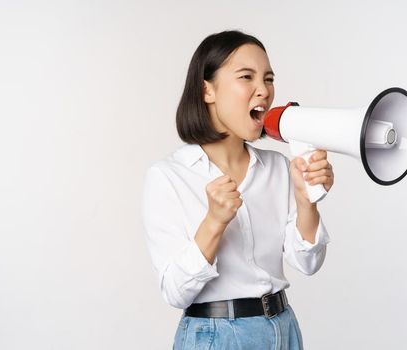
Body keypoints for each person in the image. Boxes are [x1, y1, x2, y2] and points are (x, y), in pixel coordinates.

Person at [142, 30, 335, 350]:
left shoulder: (277, 167)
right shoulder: (168, 176)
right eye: (247, 77)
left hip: (283, 328)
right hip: (216, 336)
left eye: (269, 79)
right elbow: (176, 293)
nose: (264, 90)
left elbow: (308, 264)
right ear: (207, 90)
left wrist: (306, 202)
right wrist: (214, 222)